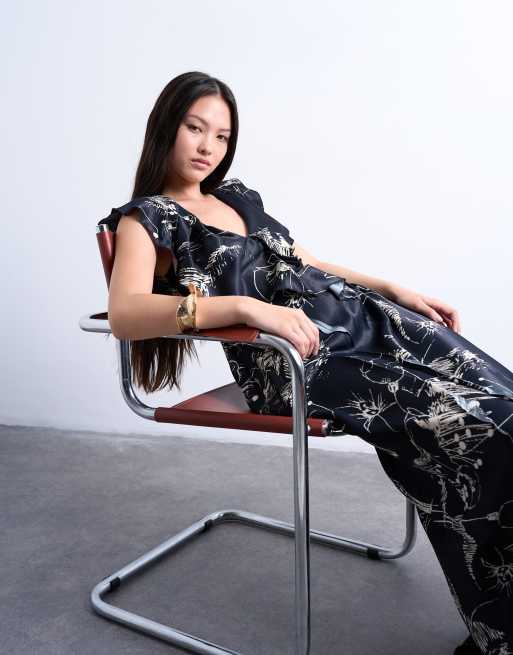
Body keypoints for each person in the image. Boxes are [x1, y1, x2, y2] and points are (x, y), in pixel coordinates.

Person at [98, 71, 513, 655]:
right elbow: (126, 314)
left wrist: (392, 288)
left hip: (364, 319)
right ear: (166, 127)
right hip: (295, 364)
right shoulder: (148, 218)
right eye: (194, 128)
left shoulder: (237, 197)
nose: (207, 146)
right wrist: (245, 307)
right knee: (480, 429)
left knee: (505, 402)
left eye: (221, 135)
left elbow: (306, 262)